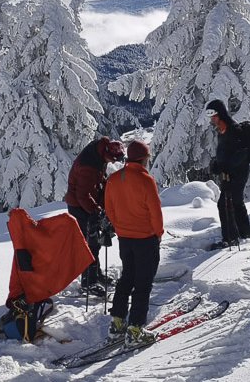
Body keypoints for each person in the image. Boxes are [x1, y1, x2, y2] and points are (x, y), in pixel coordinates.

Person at [104, 140, 164, 347]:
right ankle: (136, 329)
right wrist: (158, 233)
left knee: (127, 277)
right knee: (143, 283)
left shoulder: (113, 179)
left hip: (125, 238)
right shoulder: (146, 180)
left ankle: (117, 323)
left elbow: (109, 209)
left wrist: (120, 228)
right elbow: (155, 212)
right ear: (144, 159)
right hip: (146, 239)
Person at [65, 136, 126, 297]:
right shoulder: (88, 166)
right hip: (79, 207)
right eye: (111, 160)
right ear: (106, 153)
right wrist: (96, 211)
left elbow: (97, 183)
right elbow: (83, 195)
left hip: (85, 203)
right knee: (89, 243)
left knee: (94, 242)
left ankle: (95, 274)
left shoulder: (99, 154)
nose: (111, 163)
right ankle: (88, 282)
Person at [206, 99, 250, 250]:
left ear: (220, 114)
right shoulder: (222, 130)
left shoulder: (233, 130)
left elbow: (242, 153)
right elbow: (224, 153)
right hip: (229, 173)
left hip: (237, 173)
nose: (211, 118)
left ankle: (230, 238)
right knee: (236, 202)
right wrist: (217, 164)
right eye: (209, 115)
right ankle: (245, 232)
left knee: (225, 204)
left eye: (212, 114)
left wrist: (226, 165)